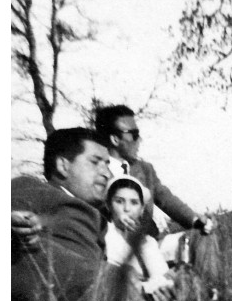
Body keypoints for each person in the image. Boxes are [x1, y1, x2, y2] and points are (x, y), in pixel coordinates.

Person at [12, 128, 161, 301]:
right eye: (95, 162)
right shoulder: (31, 187)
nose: (107, 173)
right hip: (36, 276)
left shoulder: (102, 216)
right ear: (63, 165)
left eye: (107, 164)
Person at [94, 105, 221, 290]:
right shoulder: (98, 173)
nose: (140, 140)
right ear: (114, 139)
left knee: (203, 236)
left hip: (153, 243)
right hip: (120, 251)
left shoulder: (145, 169)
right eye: (134, 134)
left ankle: (209, 295)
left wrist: (196, 221)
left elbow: (166, 199)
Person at [104, 175, 175, 301]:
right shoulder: (105, 235)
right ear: (109, 205)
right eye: (119, 201)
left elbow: (162, 277)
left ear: (142, 210)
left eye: (134, 203)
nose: (127, 209)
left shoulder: (147, 242)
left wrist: (138, 240)